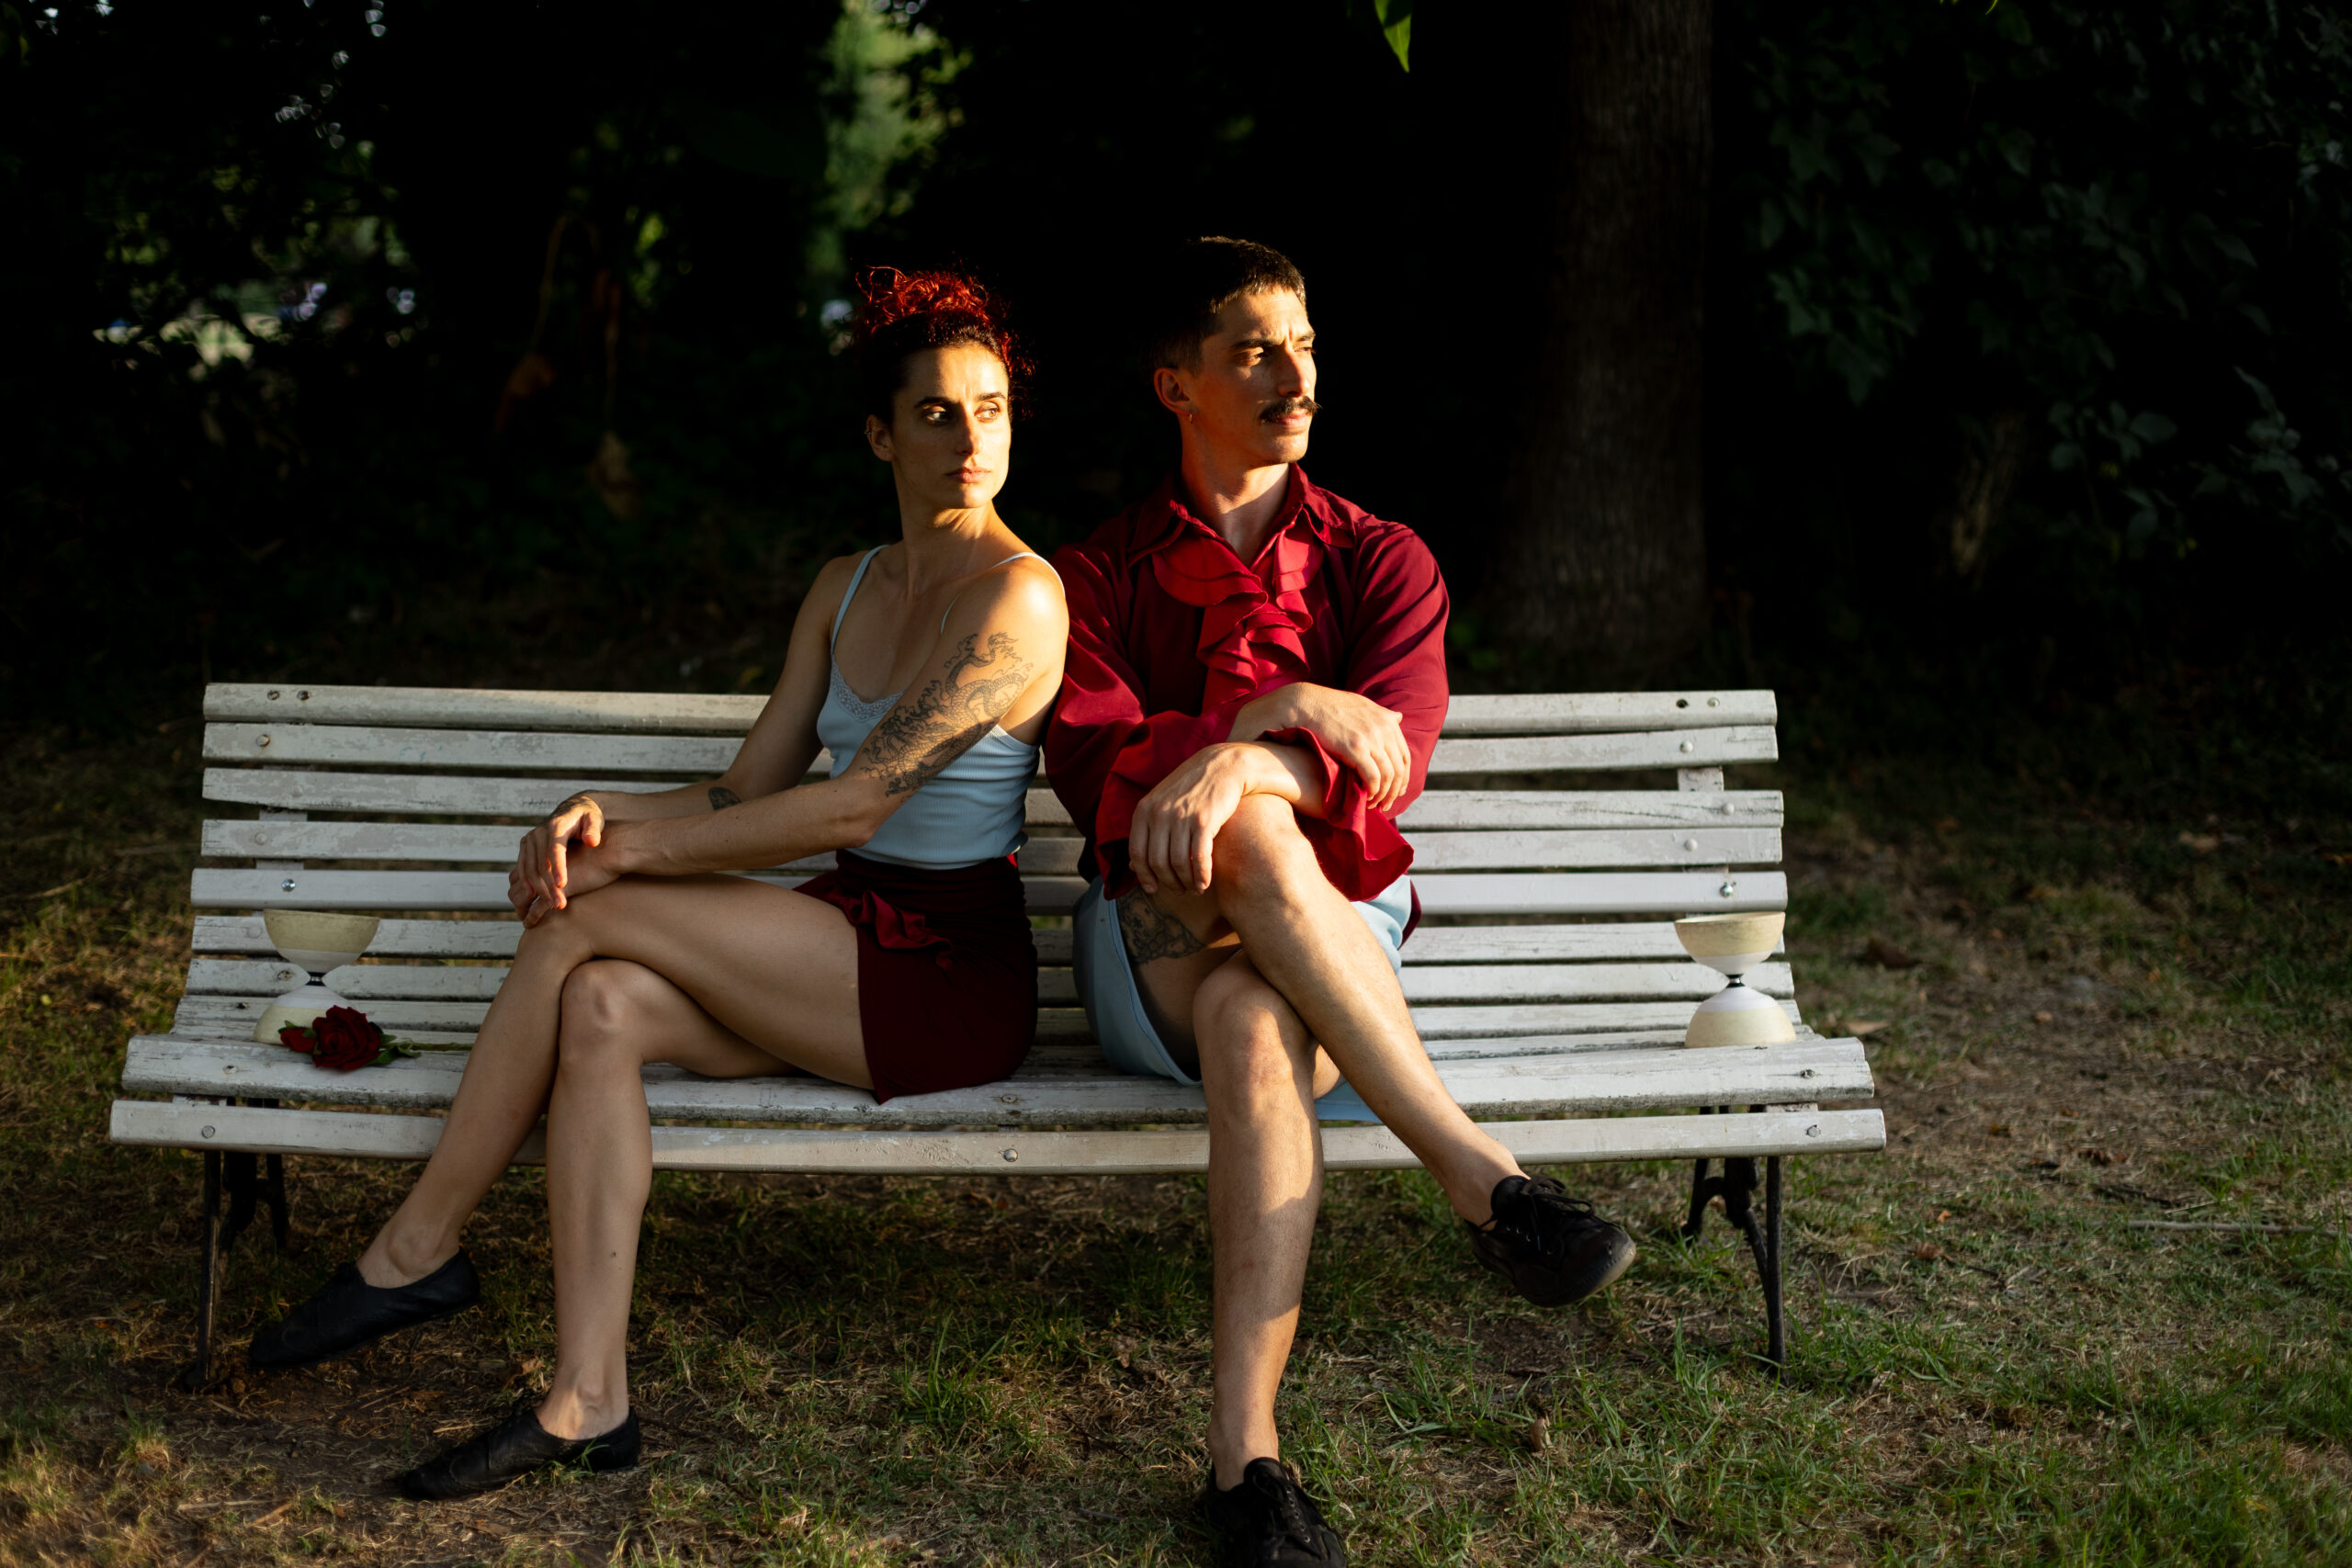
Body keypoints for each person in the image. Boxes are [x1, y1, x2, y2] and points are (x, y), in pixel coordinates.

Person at [247, 268, 1069, 1502]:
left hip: (949, 974)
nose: (970, 439)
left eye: (991, 410)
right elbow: (746, 792)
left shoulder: (1021, 597)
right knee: (601, 1005)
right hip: (843, 939)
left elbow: (856, 805)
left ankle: (415, 1249)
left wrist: (623, 861)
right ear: (880, 434)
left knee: (593, 916)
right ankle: (589, 1401)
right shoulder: (845, 586)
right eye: (938, 413)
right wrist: (602, 813)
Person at [1046, 237, 1636, 1567]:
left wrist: (1244, 751)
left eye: (1305, 345)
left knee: (1258, 1009)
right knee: (1252, 834)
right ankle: (1482, 1179)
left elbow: (1393, 761)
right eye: (1255, 351)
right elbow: (1097, 768)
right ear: (1176, 385)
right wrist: (1283, 717)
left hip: (1325, 951)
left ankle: (1244, 1462)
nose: (1294, 376)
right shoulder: (1096, 579)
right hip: (1146, 950)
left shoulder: (1384, 560)